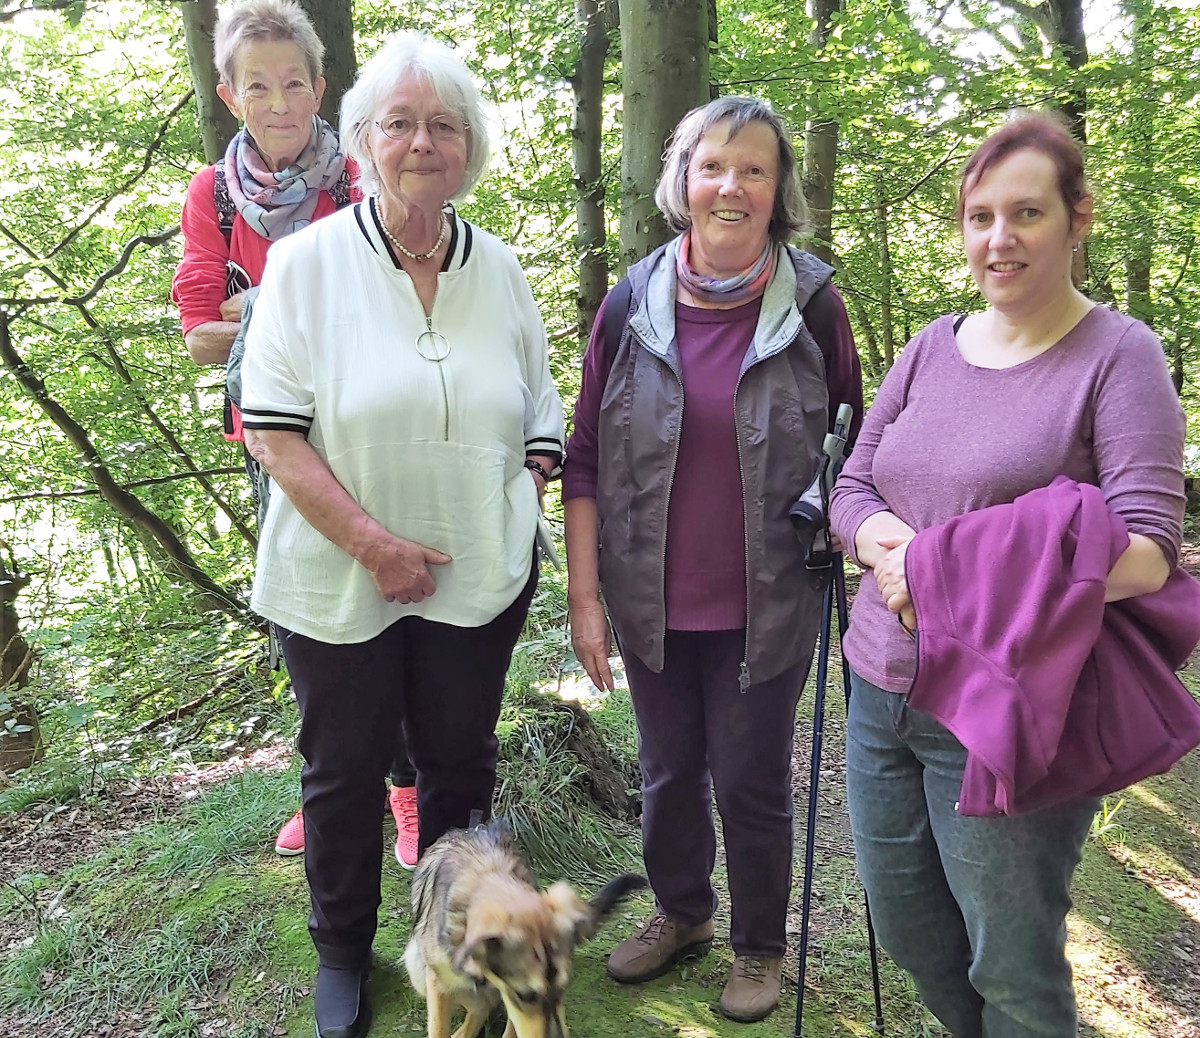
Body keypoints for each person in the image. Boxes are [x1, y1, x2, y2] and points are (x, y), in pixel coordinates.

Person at [829, 111, 1187, 1038]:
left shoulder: (1119, 357)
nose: (1000, 238)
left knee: (1014, 963)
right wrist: (890, 547)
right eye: (980, 216)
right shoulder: (929, 348)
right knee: (911, 934)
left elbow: (1148, 552)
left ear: (1079, 219)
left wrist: (950, 567)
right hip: (881, 691)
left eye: (1026, 212)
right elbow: (853, 486)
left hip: (1009, 702)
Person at [239, 32, 564, 1038]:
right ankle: (343, 953)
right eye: (400, 123)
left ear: (467, 148)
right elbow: (273, 433)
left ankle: (456, 946)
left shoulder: (500, 269)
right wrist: (376, 544)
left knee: (459, 765)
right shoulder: (304, 266)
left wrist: (520, 490)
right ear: (365, 142)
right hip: (337, 582)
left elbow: (545, 411)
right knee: (343, 772)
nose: (422, 142)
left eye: (443, 125)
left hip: (479, 577)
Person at [562, 96, 862, 1024]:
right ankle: (684, 914)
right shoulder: (629, 303)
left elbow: (859, 448)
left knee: (750, 778)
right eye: (712, 167)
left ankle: (760, 946)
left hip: (768, 600)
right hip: (648, 598)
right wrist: (584, 598)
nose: (731, 186)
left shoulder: (814, 304)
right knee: (665, 770)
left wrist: (846, 535)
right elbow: (583, 455)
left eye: (754, 170)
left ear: (779, 193)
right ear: (682, 182)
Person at [168, 0, 420, 868]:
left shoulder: (359, 177)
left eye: (293, 84)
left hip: (372, 427)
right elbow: (200, 333)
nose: (278, 102)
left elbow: (394, 299)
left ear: (320, 89)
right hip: (272, 440)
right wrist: (292, 302)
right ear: (231, 94)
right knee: (306, 620)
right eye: (258, 86)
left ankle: (407, 788)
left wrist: (261, 304)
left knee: (392, 602)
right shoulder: (213, 192)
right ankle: (329, 784)